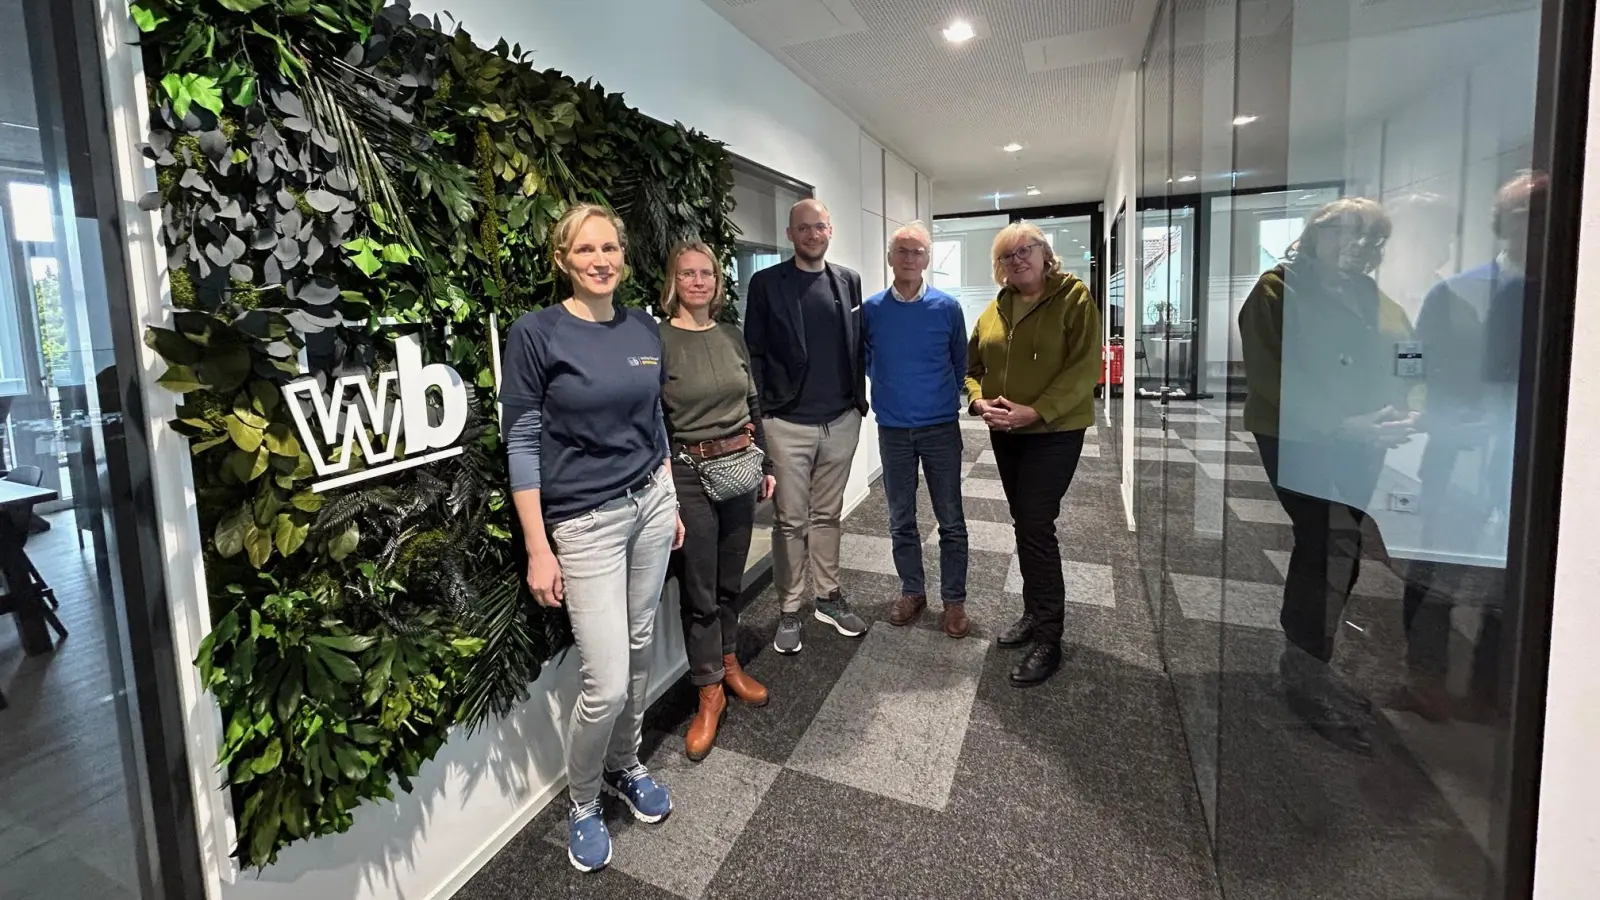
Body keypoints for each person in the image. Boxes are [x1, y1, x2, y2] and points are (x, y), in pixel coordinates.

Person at [501, 204, 684, 873]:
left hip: (651, 508)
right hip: (584, 525)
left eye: (610, 247)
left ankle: (626, 765)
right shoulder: (536, 333)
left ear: (623, 257)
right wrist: (538, 546)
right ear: (563, 260)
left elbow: (652, 418)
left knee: (637, 652)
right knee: (605, 681)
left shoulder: (642, 327)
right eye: (586, 250)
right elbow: (521, 441)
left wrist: (664, 487)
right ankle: (582, 801)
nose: (601, 259)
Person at [1238, 197, 1418, 752]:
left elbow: (1408, 352)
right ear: (1315, 234)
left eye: (1368, 236)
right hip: (1297, 436)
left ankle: (1313, 660)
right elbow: (1269, 374)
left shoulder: (1370, 296)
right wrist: (1342, 423)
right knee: (1324, 539)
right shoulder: (1277, 289)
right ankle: (1305, 668)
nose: (1355, 244)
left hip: (1366, 436)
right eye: (1343, 231)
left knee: (1345, 543)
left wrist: (1409, 404)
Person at [965, 221, 1102, 687]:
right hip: (1006, 432)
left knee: (1037, 524)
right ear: (999, 267)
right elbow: (973, 367)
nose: (1018, 259)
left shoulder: (1073, 297)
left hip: (1054, 431)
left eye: (1027, 250)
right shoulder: (995, 309)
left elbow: (1085, 368)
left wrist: (1036, 411)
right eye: (1007, 255)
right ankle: (1034, 611)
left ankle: (1049, 636)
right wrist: (978, 400)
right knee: (1025, 522)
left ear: (1046, 254)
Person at [658, 240, 777, 761]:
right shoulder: (658, 339)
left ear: (717, 282)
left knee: (733, 576)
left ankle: (730, 663)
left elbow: (753, 402)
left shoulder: (731, 335)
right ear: (674, 282)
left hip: (739, 467)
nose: (699, 281)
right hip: (687, 472)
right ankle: (708, 688)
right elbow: (654, 417)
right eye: (688, 274)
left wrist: (766, 463)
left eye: (706, 273)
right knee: (700, 585)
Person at [744, 198, 869, 655]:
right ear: (790, 234)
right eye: (803, 228)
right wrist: (761, 418)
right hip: (786, 422)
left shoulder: (848, 281)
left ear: (829, 230)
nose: (812, 234)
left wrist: (857, 406)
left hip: (840, 420)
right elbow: (753, 353)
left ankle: (829, 598)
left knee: (827, 515)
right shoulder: (766, 284)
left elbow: (857, 347)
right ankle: (791, 607)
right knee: (790, 520)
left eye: (819, 226)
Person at [864, 221, 971, 638]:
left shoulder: (947, 308)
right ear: (890, 258)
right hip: (893, 430)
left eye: (918, 252)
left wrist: (940, 399)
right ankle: (912, 591)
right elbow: (868, 360)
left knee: (951, 519)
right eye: (902, 251)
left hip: (940, 428)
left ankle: (954, 601)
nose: (910, 258)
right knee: (900, 518)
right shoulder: (872, 310)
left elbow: (958, 363)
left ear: (928, 259)